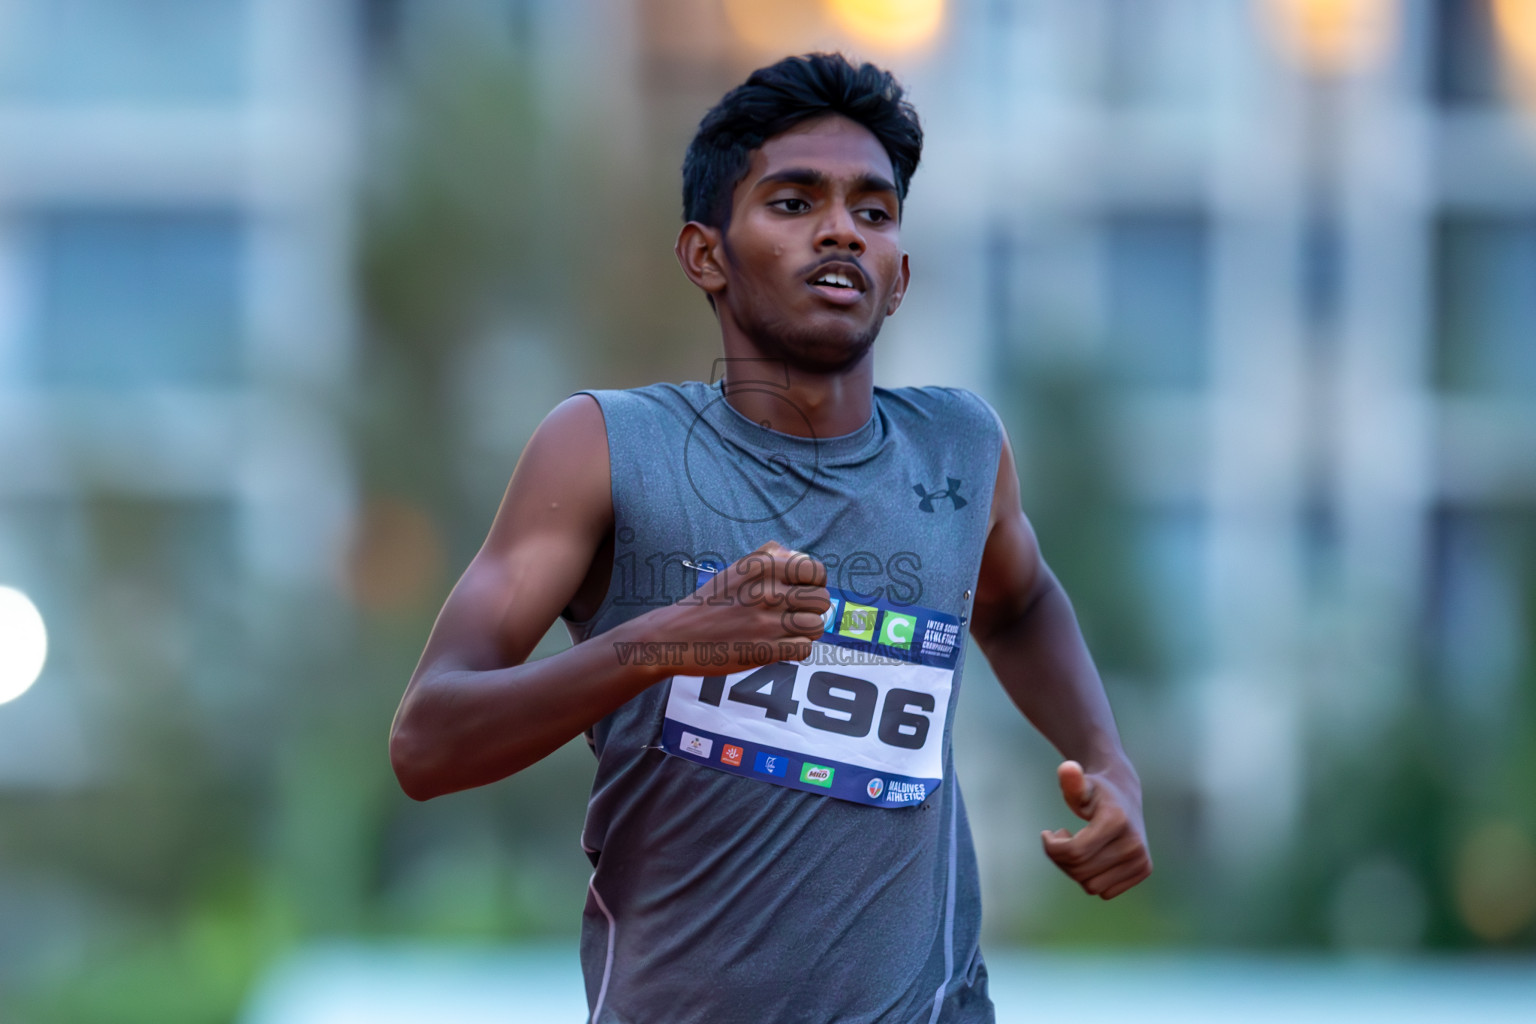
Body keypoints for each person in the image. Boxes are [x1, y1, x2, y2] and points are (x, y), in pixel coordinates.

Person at [389, 52, 1151, 1024]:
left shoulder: (960, 448)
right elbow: (427, 741)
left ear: (900, 273)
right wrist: (664, 642)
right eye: (794, 203)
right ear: (706, 254)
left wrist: (1108, 759)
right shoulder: (603, 448)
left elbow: (1023, 598)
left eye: (873, 212)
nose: (841, 229)